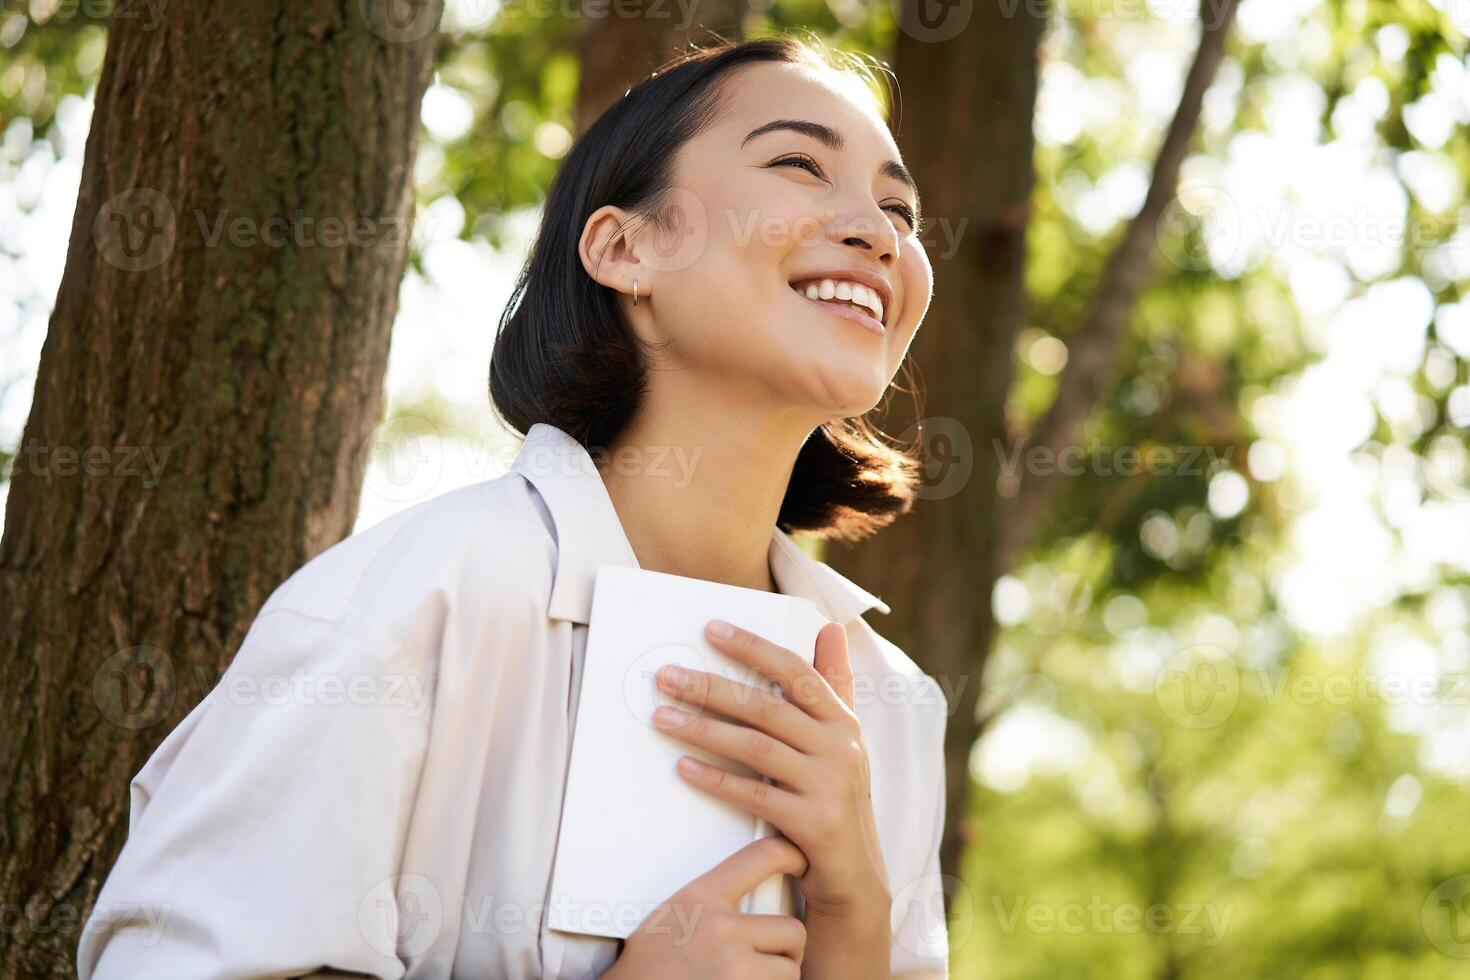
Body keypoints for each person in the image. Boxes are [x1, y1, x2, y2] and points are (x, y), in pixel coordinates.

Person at [77, 34, 950, 979]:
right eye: (797, 163)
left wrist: (856, 916)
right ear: (628, 248)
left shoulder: (891, 705)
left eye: (899, 207)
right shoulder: (418, 602)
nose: (877, 229)